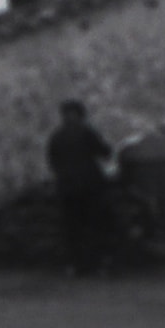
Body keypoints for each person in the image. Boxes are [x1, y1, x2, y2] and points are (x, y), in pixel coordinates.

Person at [45, 100, 116, 277]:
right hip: (89, 185)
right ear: (81, 114)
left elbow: (52, 161)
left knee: (72, 226)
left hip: (67, 186)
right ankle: (98, 264)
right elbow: (105, 152)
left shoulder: (56, 136)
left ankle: (75, 265)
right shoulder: (87, 133)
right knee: (95, 223)